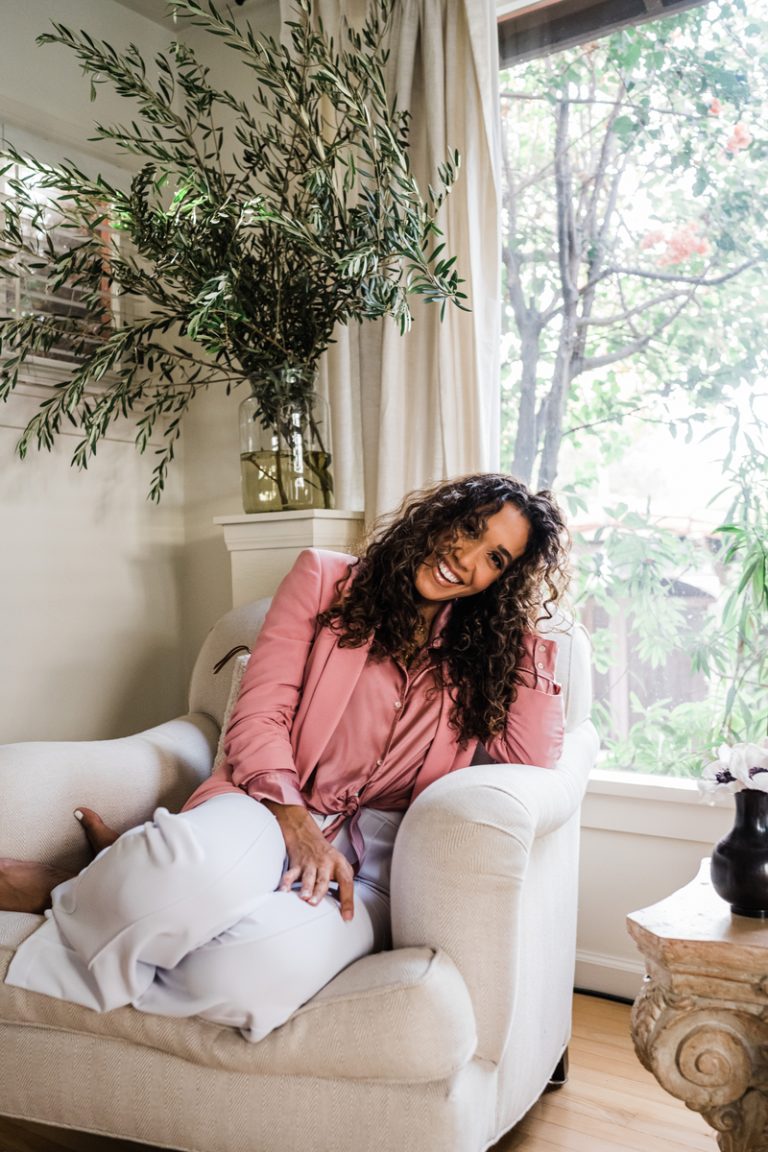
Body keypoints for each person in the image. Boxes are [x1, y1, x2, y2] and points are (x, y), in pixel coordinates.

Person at [3, 472, 569, 1042]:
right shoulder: (325, 580)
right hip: (270, 805)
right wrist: (294, 820)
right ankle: (114, 888)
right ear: (439, 516)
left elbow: (531, 761)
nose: (466, 558)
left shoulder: (483, 655)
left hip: (367, 865)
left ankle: (108, 885)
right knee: (172, 877)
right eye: (468, 529)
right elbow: (260, 713)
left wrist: (521, 627)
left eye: (495, 559)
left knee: (242, 978)